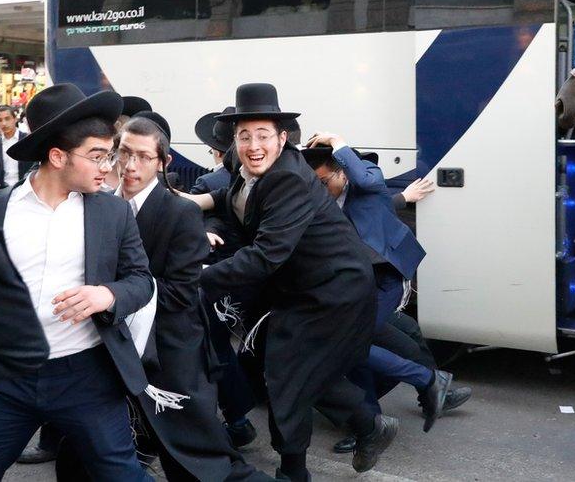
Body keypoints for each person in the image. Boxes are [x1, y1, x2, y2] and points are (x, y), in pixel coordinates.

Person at [184, 83, 397, 481]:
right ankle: (370, 425)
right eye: (244, 136)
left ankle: (293, 472)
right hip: (298, 287)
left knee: (286, 375)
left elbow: (265, 255)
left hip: (334, 292)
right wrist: (205, 224)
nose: (254, 145)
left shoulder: (288, 180)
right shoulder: (243, 169)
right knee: (292, 371)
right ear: (234, 142)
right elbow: (232, 214)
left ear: (282, 138)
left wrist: (202, 278)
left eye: (263, 135)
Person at [59, 113, 271, 481]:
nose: (129, 165)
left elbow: (178, 293)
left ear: (163, 163)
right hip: (109, 353)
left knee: (202, 464)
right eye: (123, 153)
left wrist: (112, 296)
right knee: (83, 453)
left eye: (142, 156)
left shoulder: (180, 213)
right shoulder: (97, 205)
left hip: (170, 357)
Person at [0, 83, 155, 481]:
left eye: (108, 156)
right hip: (5, 381)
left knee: (121, 475)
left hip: (85, 378)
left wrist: (106, 294)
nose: (108, 168)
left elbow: (141, 281)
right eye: (98, 157)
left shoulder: (113, 214)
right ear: (58, 156)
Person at [304, 133, 472, 449]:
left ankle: (426, 386)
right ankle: (381, 416)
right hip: (352, 286)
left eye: (325, 183)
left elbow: (371, 189)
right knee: (353, 351)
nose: (321, 191)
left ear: (342, 172)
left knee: (349, 347)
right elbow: (382, 208)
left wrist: (338, 142)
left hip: (384, 282)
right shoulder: (325, 199)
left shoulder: (365, 181)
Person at [0, 224, 48, 382]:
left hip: (85, 369)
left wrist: (110, 294)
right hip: (2, 385)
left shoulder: (116, 211)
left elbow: (30, 350)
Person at [0, 105, 32, 191]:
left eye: (7, 118)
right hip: (2, 192)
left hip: (25, 189)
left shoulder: (27, 140)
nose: (4, 123)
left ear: (15, 119)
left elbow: (36, 166)